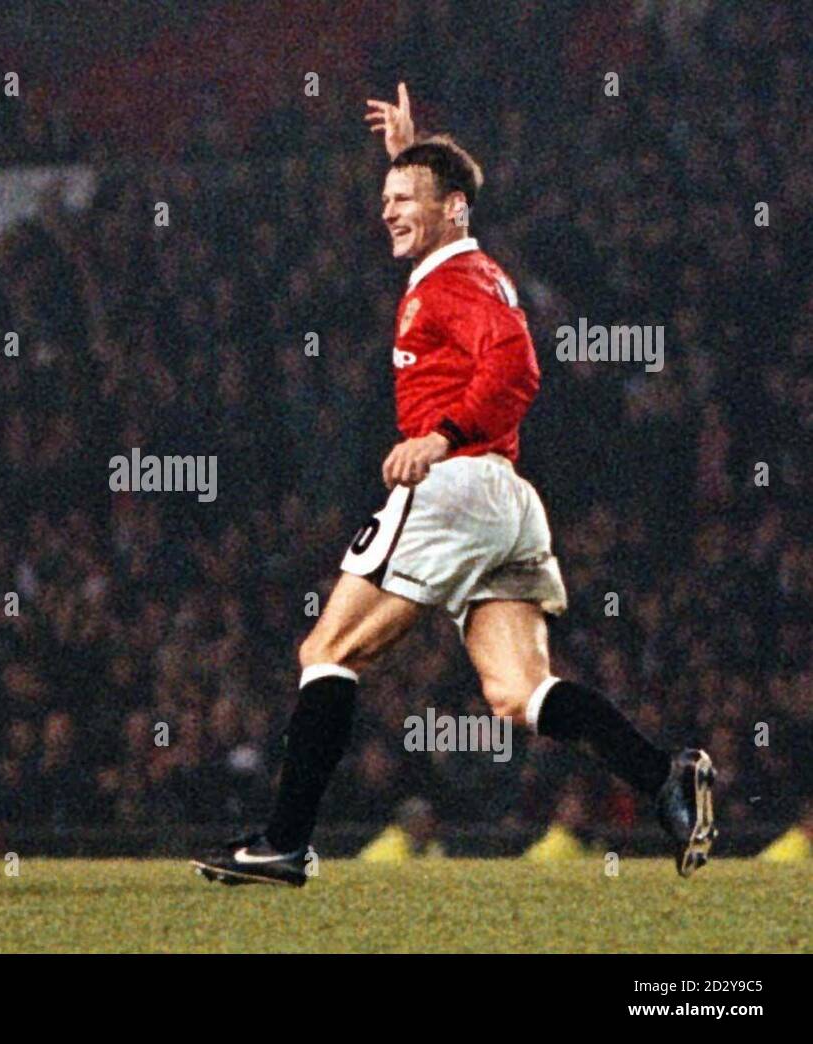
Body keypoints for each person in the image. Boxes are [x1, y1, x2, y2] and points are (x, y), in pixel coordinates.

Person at [191, 85, 715, 887]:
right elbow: (463, 256)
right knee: (517, 691)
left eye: (403, 199)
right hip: (505, 498)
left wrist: (439, 436)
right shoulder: (472, 266)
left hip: (456, 482)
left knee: (326, 650)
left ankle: (286, 842)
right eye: (385, 197)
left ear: (454, 209)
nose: (388, 212)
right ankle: (662, 777)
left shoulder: (451, 283)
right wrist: (406, 151)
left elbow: (517, 366)